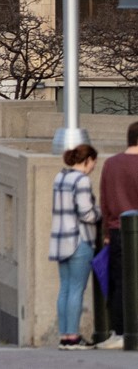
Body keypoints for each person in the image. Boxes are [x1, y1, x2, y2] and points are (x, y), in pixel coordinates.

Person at [52, 144, 102, 350]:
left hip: (60, 239)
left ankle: (65, 335)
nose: (93, 167)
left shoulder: (60, 177)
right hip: (79, 240)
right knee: (76, 289)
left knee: (64, 288)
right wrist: (100, 213)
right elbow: (86, 213)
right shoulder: (82, 180)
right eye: (94, 163)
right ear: (88, 160)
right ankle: (73, 336)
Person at [96, 120, 138, 345]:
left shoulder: (111, 164)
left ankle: (120, 331)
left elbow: (104, 200)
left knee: (120, 283)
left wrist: (106, 233)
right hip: (136, 231)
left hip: (116, 231)